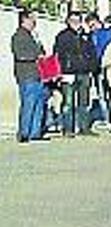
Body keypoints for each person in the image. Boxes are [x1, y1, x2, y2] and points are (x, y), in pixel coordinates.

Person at [55, 11, 98, 137]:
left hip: (84, 73)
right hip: (68, 73)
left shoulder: (85, 35)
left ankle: (84, 128)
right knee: (68, 103)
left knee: (84, 102)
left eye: (78, 20)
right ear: (68, 22)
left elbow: (92, 53)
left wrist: (91, 68)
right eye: (73, 21)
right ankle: (68, 128)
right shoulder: (62, 36)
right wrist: (60, 72)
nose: (75, 23)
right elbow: (58, 55)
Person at [11, 8, 46, 143]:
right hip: (27, 75)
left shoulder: (33, 36)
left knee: (38, 104)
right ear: (24, 20)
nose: (34, 21)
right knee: (29, 104)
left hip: (38, 74)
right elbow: (20, 55)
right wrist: (36, 56)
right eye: (32, 18)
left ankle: (35, 132)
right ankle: (24, 132)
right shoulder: (18, 36)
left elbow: (41, 51)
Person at [90, 13, 111, 126]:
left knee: (107, 94)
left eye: (93, 25)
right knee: (104, 94)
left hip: (106, 67)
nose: (92, 28)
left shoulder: (106, 33)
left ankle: (110, 118)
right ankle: (109, 118)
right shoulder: (94, 35)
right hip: (99, 68)